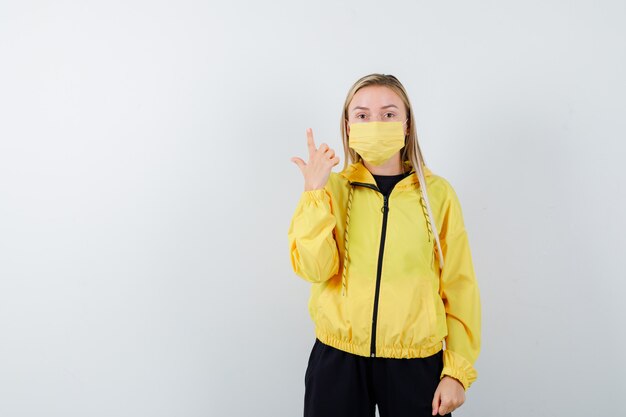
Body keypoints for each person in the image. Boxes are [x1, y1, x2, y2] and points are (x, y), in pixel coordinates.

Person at [288, 73, 481, 417]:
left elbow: (459, 285)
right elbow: (314, 269)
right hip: (338, 360)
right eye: (362, 115)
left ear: (407, 125)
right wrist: (315, 192)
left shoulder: (437, 195)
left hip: (415, 363)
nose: (375, 122)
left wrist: (456, 372)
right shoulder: (330, 189)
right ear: (348, 126)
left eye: (389, 114)